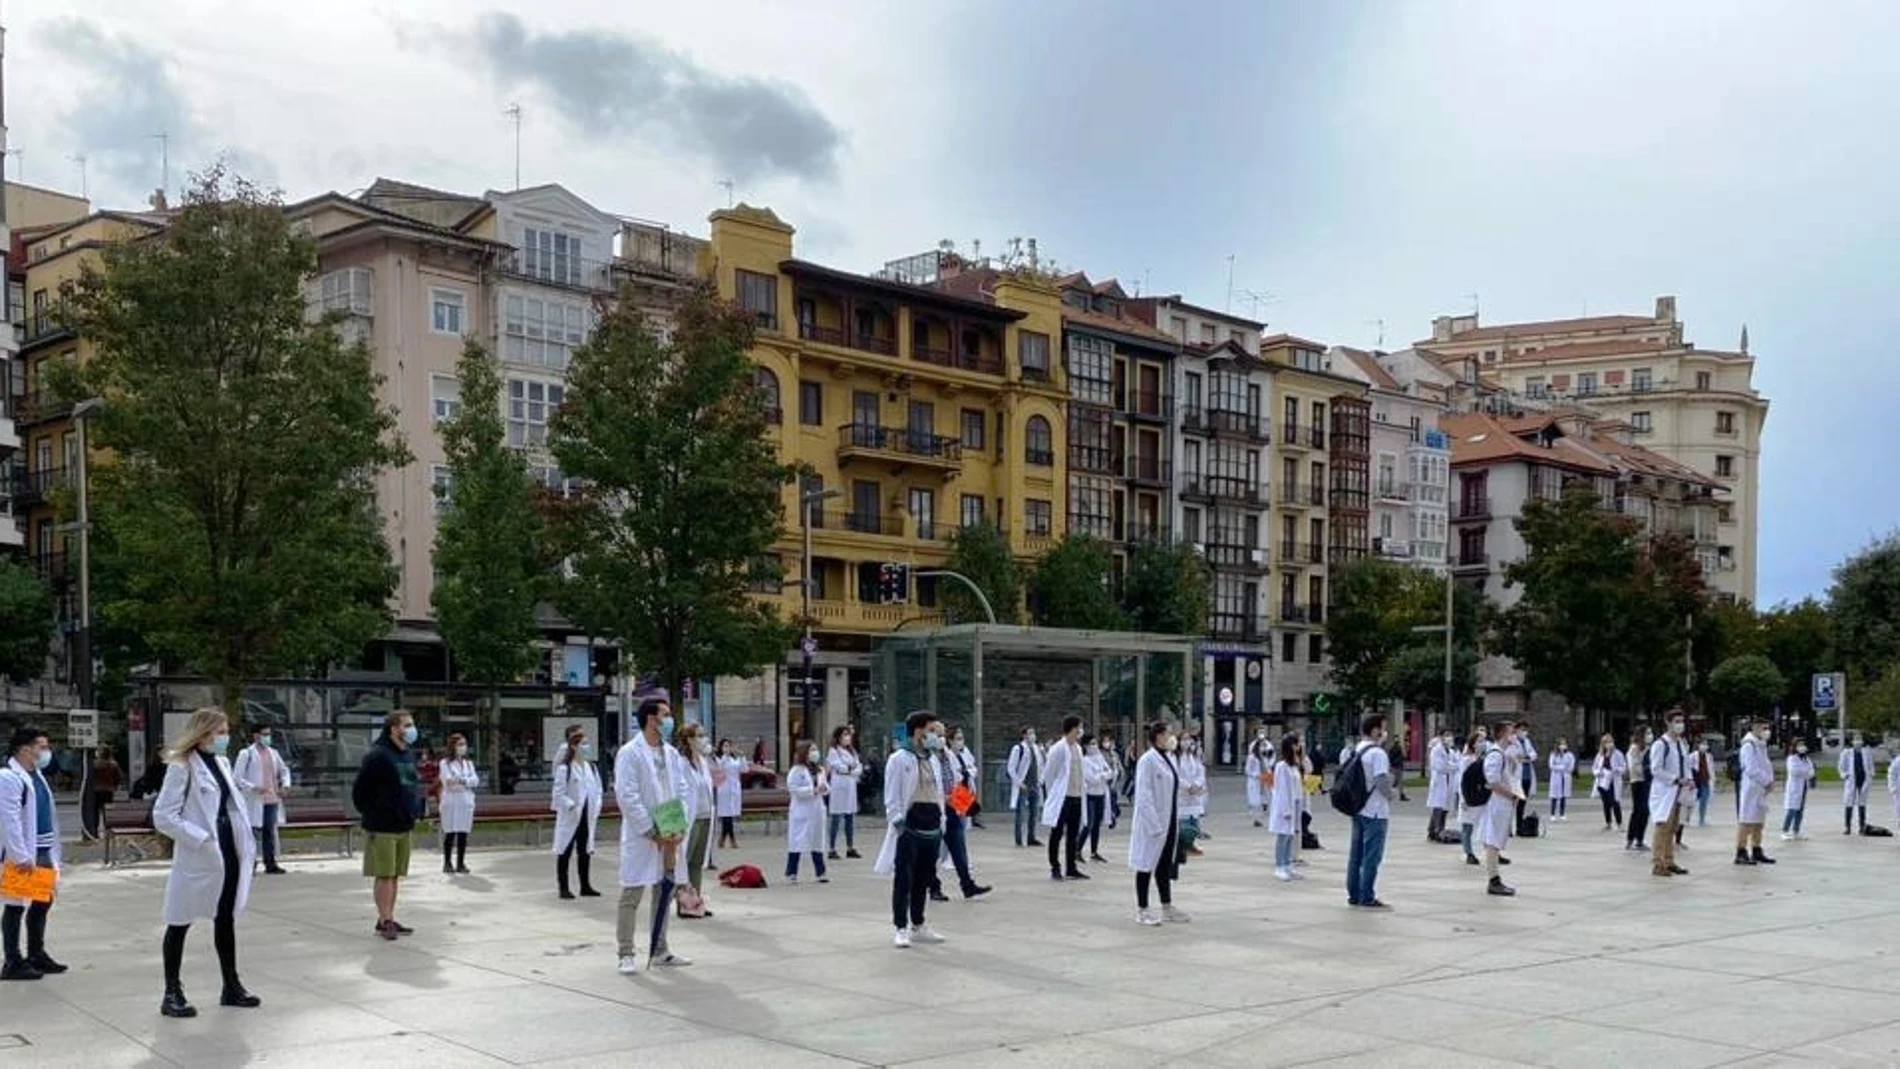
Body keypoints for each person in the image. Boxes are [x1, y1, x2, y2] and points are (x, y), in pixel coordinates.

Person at [151, 708, 260, 1017]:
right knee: (180, 920)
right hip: (200, 851)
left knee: (225, 918)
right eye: (221, 732)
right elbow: (163, 816)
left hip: (228, 849)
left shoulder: (223, 763)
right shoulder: (181, 766)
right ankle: (172, 992)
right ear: (203, 733)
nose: (225, 738)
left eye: (226, 731)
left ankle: (231, 986)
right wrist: (199, 838)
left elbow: (232, 805)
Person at [613, 698, 693, 974]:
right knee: (632, 892)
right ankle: (625, 952)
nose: (670, 720)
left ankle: (660, 949)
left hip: (670, 833)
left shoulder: (670, 754)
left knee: (665, 888)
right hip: (643, 835)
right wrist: (650, 829)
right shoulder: (630, 753)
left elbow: (681, 790)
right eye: (666, 715)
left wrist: (677, 826)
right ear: (650, 718)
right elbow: (627, 795)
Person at [876, 711, 948, 949]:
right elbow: (892, 795)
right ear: (918, 731)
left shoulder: (934, 759)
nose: (935, 736)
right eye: (931, 731)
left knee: (924, 878)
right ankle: (901, 926)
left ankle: (918, 923)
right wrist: (898, 822)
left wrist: (943, 820)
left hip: (932, 825)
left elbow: (941, 790)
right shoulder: (899, 758)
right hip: (910, 826)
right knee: (904, 878)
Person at [351, 710, 422, 941]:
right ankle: (385, 920)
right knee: (384, 874)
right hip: (381, 826)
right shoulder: (378, 756)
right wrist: (373, 814)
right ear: (394, 728)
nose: (411, 729)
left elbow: (411, 786)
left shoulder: (407, 754)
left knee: (395, 875)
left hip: (403, 824)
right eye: (407, 725)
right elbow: (360, 792)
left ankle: (388, 916)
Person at [1, 726, 64, 981]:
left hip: (43, 848)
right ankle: (13, 961)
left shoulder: (35, 773)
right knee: (16, 904)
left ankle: (36, 953)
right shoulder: (8, 777)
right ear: (25, 749)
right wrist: (18, 854)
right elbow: (10, 819)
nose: (46, 752)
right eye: (42, 746)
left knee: (43, 900)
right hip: (25, 852)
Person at [1129, 721, 1188, 925]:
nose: (1172, 737)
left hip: (1169, 820)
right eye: (1168, 733)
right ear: (1159, 736)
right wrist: (1154, 824)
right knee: (1145, 864)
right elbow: (1144, 795)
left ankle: (1167, 907)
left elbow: (1173, 784)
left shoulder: (1168, 758)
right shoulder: (1147, 760)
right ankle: (1142, 909)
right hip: (1152, 824)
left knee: (1164, 865)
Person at [929, 725, 992, 901]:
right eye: (938, 735)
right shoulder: (927, 758)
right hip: (936, 809)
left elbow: (957, 778)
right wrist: (945, 797)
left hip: (953, 807)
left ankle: (967, 885)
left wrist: (964, 801)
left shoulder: (948, 755)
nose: (941, 739)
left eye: (943, 735)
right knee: (933, 852)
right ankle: (933, 886)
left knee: (959, 848)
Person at [1343, 714, 1395, 910]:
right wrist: (1392, 794)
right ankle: (1367, 895)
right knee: (1372, 855)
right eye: (1383, 728)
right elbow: (1381, 780)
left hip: (1358, 808)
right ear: (1375, 730)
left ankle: (1354, 893)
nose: (1384, 732)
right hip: (1375, 811)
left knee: (1355, 855)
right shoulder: (1378, 753)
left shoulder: (1358, 749)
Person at [551, 725, 602, 899]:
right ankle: (563, 887)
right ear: (573, 746)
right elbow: (558, 794)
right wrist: (571, 805)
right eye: (583, 744)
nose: (587, 748)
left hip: (587, 816)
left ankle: (585, 885)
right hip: (572, 815)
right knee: (564, 850)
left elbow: (598, 790)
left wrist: (597, 806)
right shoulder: (565, 768)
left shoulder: (591, 768)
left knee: (585, 850)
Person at [232, 726, 291, 876]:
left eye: (269, 734)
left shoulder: (274, 753)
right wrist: (253, 788)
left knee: (269, 832)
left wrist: (285, 785)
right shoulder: (246, 754)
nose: (267, 737)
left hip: (271, 799)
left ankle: (270, 863)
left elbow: (284, 770)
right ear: (255, 736)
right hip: (254, 800)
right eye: (264, 734)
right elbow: (237, 778)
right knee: (252, 833)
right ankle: (249, 864)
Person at [1039, 716, 1089, 881]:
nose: (1081, 731)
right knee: (1057, 832)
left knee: (1073, 834)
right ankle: (1055, 866)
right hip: (1063, 797)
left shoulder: (1078, 748)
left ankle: (1071, 868)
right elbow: (1049, 774)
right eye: (1080, 727)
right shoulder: (1058, 748)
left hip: (1076, 796)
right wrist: (1054, 794)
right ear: (1073, 728)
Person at [674, 722, 715, 916]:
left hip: (706, 816)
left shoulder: (703, 762)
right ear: (689, 739)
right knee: (684, 861)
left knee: (697, 863)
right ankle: (684, 904)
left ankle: (696, 903)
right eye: (699, 735)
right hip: (690, 818)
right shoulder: (680, 762)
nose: (703, 739)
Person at [1647, 713, 1692, 878]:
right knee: (1662, 827)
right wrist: (1675, 779)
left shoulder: (1681, 743)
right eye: (1677, 722)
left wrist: (1689, 779)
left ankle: (1669, 860)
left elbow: (1686, 763)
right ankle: (1657, 863)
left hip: (1679, 791)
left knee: (1673, 827)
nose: (1680, 724)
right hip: (1665, 791)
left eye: (1682, 721)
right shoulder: (1661, 744)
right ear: (1668, 723)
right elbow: (1656, 769)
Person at [1480, 721, 1519, 896]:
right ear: (1503, 734)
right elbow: (1492, 782)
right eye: (1511, 732)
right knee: (1493, 842)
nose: (1514, 735)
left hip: (1501, 803)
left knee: (1495, 841)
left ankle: (1495, 878)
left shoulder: (1502, 754)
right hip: (1497, 803)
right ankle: (1493, 880)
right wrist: (1511, 795)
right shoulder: (1495, 754)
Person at [784, 740, 830, 884]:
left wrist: (824, 789)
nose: (815, 753)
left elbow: (826, 786)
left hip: (817, 809)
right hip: (801, 811)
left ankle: (820, 872)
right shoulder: (796, 770)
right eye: (812, 750)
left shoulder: (820, 770)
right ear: (805, 753)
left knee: (817, 841)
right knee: (797, 841)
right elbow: (793, 788)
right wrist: (812, 791)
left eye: (816, 750)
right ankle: (791, 873)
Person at [1735, 717, 1777, 866]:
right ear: (1755, 727)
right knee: (1746, 820)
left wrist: (1770, 781)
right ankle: (1741, 850)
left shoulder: (1761, 745)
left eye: (1767, 728)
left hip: (1761, 788)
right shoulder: (1749, 745)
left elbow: (1766, 764)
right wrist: (1766, 781)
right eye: (1763, 728)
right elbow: (1751, 768)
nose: (1767, 732)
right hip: (1751, 788)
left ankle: (1756, 848)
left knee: (1759, 821)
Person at [436, 732, 479, 875]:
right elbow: (448, 782)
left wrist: (462, 781)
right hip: (451, 801)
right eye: (460, 744)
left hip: (465, 801)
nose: (463, 747)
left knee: (463, 832)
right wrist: (465, 781)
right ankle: (447, 862)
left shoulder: (469, 764)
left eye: (464, 744)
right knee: (450, 832)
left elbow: (475, 781)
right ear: (453, 746)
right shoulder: (445, 763)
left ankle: (461, 863)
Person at [1269, 735, 1304, 882]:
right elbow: (1282, 790)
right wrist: (1286, 810)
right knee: (1282, 837)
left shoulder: (1294, 765)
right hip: (1285, 806)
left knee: (1290, 837)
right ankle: (1279, 867)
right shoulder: (1281, 766)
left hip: (1295, 803)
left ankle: (1288, 865)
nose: (1298, 747)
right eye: (1296, 744)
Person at [825, 727, 863, 860]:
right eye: (845, 735)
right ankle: (832, 848)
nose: (848, 738)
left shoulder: (852, 751)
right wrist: (850, 769)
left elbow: (859, 767)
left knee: (850, 817)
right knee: (836, 818)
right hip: (839, 786)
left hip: (850, 786)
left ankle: (850, 847)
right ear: (838, 737)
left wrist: (851, 770)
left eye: (849, 735)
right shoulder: (833, 751)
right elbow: (838, 767)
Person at [1007, 726, 1044, 848]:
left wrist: (1040, 781)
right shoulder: (1018, 748)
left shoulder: (1036, 748)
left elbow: (1040, 766)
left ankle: (1031, 838)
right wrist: (1019, 783)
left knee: (1034, 813)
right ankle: (1019, 839)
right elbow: (1011, 768)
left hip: (1034, 785)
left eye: (1033, 733)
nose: (1032, 735)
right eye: (1029, 733)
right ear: (1023, 735)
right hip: (1023, 785)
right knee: (1021, 813)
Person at [1176, 732, 1209, 862]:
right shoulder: (1175, 757)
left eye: (1188, 739)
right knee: (1183, 822)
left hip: (1195, 794)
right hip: (1182, 793)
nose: (1187, 742)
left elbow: (1201, 772)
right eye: (1183, 739)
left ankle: (1191, 845)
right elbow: (1175, 775)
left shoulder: (1194, 756)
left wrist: (1197, 785)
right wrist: (1188, 786)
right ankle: (1183, 846)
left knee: (1193, 820)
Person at [1081, 734, 1113, 863]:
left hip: (1101, 794)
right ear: (1085, 746)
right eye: (1091, 743)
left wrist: (1101, 775)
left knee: (1096, 825)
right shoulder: (1085, 761)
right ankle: (1078, 849)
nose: (1094, 746)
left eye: (1095, 743)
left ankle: (1094, 851)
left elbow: (1110, 772)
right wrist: (1102, 775)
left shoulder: (1099, 758)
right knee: (1089, 824)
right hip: (1090, 795)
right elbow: (1091, 779)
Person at [1425, 728, 1457, 842]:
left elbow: (1458, 763)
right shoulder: (1436, 750)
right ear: (1441, 737)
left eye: (1451, 735)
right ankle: (1434, 831)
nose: (1450, 738)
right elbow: (1440, 767)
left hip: (1448, 782)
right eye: (1447, 735)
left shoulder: (1451, 751)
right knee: (1437, 808)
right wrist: (1452, 767)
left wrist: (1450, 766)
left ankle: (1440, 830)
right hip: (1440, 783)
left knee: (1445, 809)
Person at [1457, 733, 1484, 866]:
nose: (1482, 744)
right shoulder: (1467, 760)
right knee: (1467, 826)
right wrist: (1463, 798)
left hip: (1479, 797)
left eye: (1483, 741)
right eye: (1479, 741)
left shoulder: (1480, 759)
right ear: (1472, 743)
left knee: (1482, 825)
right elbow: (1462, 780)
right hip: (1469, 796)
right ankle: (1469, 853)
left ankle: (1493, 851)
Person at [714, 738, 745, 850]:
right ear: (721, 748)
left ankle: (722, 839)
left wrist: (742, 757)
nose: (727, 748)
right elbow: (719, 768)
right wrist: (725, 756)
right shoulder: (719, 759)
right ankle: (732, 840)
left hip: (734, 790)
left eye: (728, 746)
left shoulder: (735, 759)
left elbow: (744, 769)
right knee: (727, 816)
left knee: (729, 816)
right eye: (725, 746)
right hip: (724, 789)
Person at [1781, 740, 1815, 842]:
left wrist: (1806, 772)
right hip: (1794, 788)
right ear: (1795, 747)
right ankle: (1785, 831)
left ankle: (1796, 831)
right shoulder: (1792, 758)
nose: (1802, 747)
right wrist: (1806, 772)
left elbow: (1812, 771)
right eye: (1800, 745)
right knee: (1791, 810)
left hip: (1803, 787)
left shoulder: (1806, 759)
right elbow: (1794, 771)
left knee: (1800, 811)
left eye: (1803, 745)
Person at [1591, 735, 1625, 832]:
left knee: (1615, 802)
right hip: (1602, 781)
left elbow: (1623, 767)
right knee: (1606, 803)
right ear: (1603, 744)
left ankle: (1620, 824)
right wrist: (1598, 772)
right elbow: (1594, 768)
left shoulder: (1618, 754)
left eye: (1610, 742)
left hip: (1613, 781)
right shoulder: (1600, 755)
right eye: (1606, 742)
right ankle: (1608, 823)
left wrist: (1617, 770)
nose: (1609, 744)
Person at [1841, 734, 1873, 835]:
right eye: (1856, 739)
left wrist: (1871, 774)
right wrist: (1844, 775)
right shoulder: (1847, 752)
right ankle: (1847, 827)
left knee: (1862, 803)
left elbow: (1870, 765)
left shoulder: (1866, 752)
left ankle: (1862, 827)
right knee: (1849, 803)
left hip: (1863, 780)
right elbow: (1841, 766)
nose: (1858, 741)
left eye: (1860, 739)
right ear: (1852, 742)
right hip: (1851, 780)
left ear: (1862, 741)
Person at [1625, 727, 1651, 852]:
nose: (1650, 736)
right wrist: (1646, 768)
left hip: (1647, 782)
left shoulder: (1649, 748)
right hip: (1637, 781)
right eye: (1647, 733)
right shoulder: (1634, 748)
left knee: (1645, 811)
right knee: (1638, 810)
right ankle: (1631, 838)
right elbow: (1634, 767)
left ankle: (1639, 839)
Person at [90, 745, 123, 839]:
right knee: (107, 812)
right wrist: (115, 786)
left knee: (95, 812)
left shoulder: (94, 764)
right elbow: (118, 777)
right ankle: (108, 831)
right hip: (108, 790)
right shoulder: (113, 764)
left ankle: (95, 832)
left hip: (96, 790)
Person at [1512, 722, 1539, 824]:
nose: (1524, 732)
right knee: (1514, 802)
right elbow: (1516, 756)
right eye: (1522, 730)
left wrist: (1527, 758)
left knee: (1523, 802)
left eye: (1525, 730)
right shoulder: (1513, 742)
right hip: (1517, 776)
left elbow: (1533, 754)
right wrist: (1525, 758)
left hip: (1527, 776)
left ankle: (1519, 825)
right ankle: (1509, 827)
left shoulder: (1527, 741)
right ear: (1516, 730)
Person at [1245, 730, 1273, 828]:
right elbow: (1248, 770)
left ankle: (1267, 808)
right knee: (1255, 798)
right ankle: (1255, 818)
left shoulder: (1267, 748)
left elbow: (1272, 757)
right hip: (1256, 779)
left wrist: (1269, 767)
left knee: (1269, 792)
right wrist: (1256, 775)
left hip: (1266, 775)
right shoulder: (1252, 757)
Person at [1547, 738, 1575, 823]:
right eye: (1561, 744)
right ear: (1558, 745)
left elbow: (1571, 766)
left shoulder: (1569, 755)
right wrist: (1562, 767)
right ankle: (1552, 815)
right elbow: (1551, 766)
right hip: (1556, 777)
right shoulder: (1553, 754)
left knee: (1563, 796)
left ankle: (1562, 814)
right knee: (1554, 796)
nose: (1563, 746)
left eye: (1564, 744)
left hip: (1565, 777)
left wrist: (1563, 767)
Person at [1692, 738, 1715, 827]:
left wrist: (1712, 779)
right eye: (1703, 744)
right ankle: (1685, 819)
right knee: (1691, 801)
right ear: (1698, 745)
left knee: (1704, 801)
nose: (1704, 746)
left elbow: (1711, 769)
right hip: (1696, 781)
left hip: (1706, 780)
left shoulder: (1709, 756)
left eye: (1706, 744)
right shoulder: (1693, 756)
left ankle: (1702, 819)